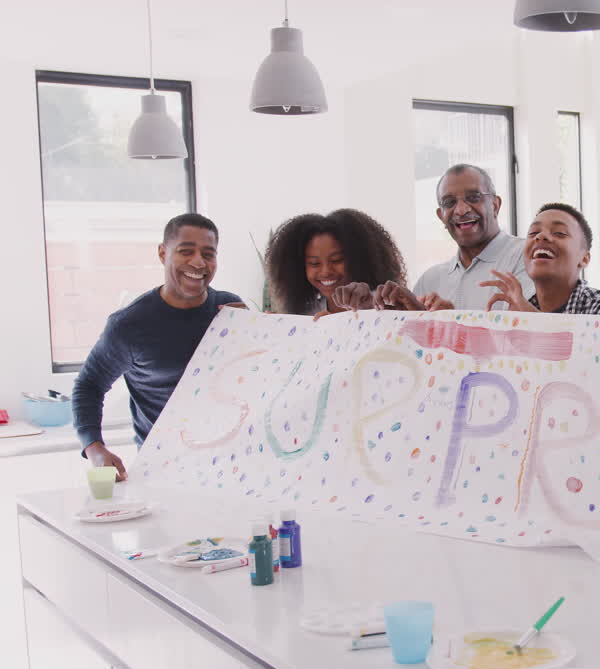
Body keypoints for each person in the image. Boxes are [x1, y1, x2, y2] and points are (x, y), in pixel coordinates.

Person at [73, 213, 241, 480]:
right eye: (186, 251)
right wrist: (94, 447)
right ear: (163, 254)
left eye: (208, 254)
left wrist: (253, 330)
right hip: (162, 472)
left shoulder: (231, 310)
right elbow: (88, 385)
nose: (198, 262)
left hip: (229, 467)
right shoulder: (130, 325)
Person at [373, 164, 531, 312]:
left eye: (474, 197)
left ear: (495, 205)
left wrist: (449, 320)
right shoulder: (429, 280)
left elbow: (526, 334)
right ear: (441, 216)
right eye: (449, 202)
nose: (461, 210)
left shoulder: (526, 256)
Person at [481, 202, 600, 315]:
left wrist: (529, 318)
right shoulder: (516, 308)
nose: (541, 236)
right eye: (533, 232)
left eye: (560, 233)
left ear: (584, 258)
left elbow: (584, 352)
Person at [263, 208, 406, 317]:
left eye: (337, 260)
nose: (325, 271)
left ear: (360, 259)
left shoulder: (383, 303)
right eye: (314, 263)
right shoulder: (303, 313)